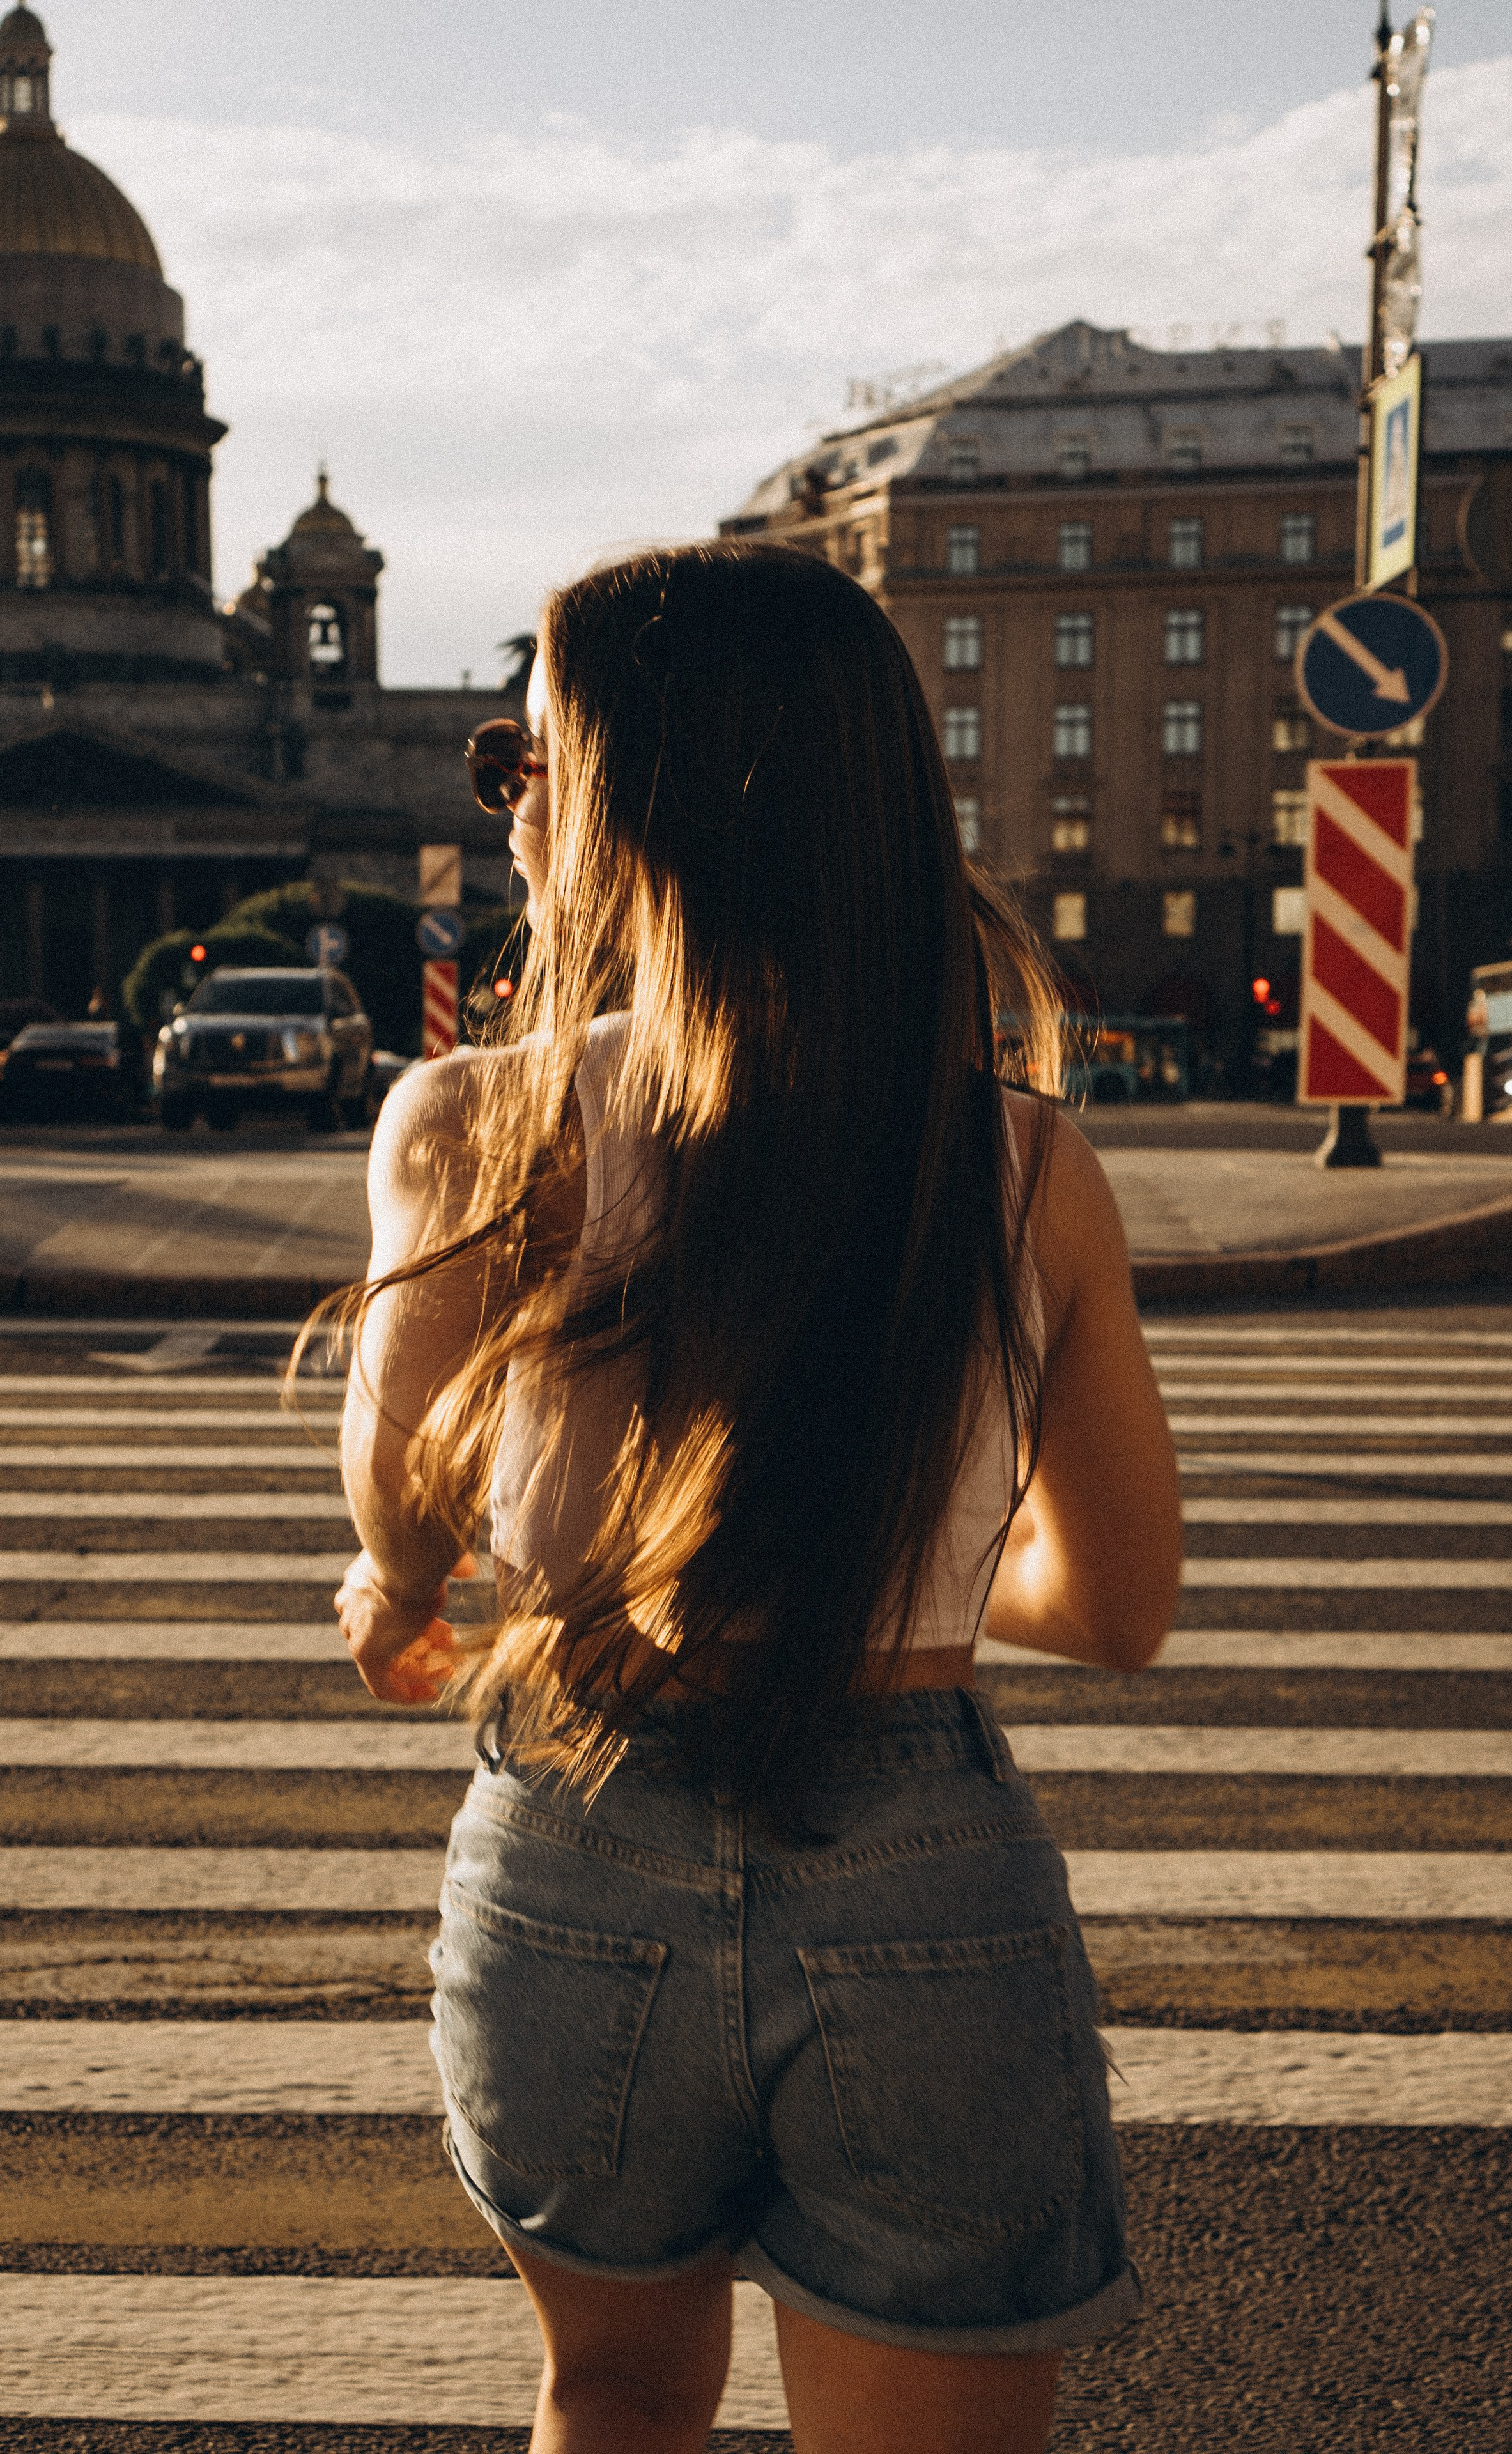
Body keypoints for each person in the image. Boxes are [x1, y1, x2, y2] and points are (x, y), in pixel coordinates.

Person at [325, 543, 1181, 2454]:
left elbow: (403, 1523)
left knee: (612, 2399)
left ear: (633, 800)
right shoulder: (1024, 1165)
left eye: (528, 756)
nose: (511, 797)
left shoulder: (471, 1126)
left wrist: (390, 1599)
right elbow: (1120, 1604)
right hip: (919, 1869)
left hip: (577, 1837)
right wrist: (900, 1571)